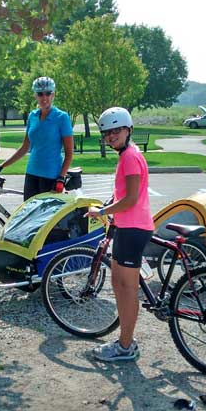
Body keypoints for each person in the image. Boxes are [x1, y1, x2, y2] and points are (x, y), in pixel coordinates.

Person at [85, 107, 154, 362]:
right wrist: (110, 204)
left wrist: (101, 211)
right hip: (126, 227)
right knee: (118, 284)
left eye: (117, 130)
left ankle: (125, 347)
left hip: (133, 228)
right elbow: (124, 193)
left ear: (128, 129)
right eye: (107, 132)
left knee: (127, 289)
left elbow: (131, 199)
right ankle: (125, 341)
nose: (112, 136)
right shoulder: (129, 155)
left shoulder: (130, 157)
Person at [0, 76, 74, 200]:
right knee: (29, 216)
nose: (44, 98)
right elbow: (25, 147)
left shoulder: (61, 117)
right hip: (32, 173)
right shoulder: (32, 116)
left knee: (46, 218)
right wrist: (2, 166)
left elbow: (69, 153)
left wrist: (61, 178)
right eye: (40, 94)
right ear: (35, 96)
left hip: (51, 176)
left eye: (48, 93)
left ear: (53, 95)